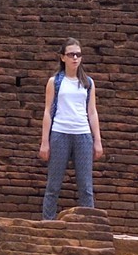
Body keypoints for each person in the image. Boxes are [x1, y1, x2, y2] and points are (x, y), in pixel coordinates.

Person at [39, 38, 103, 219]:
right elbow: (48, 111)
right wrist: (45, 141)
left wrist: (97, 140)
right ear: (63, 57)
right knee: (53, 186)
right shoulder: (55, 81)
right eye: (71, 54)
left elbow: (92, 112)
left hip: (83, 134)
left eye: (78, 54)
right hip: (60, 133)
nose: (75, 58)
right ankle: (48, 223)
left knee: (86, 186)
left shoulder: (88, 83)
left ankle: (90, 225)